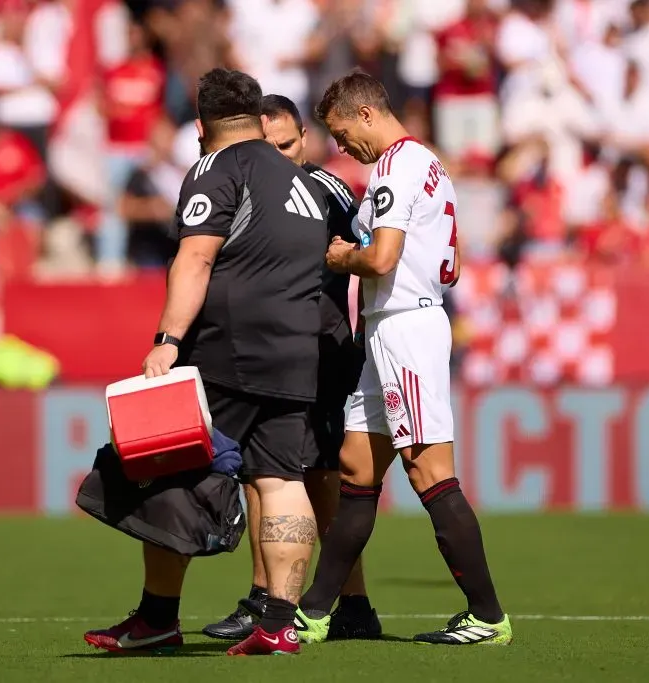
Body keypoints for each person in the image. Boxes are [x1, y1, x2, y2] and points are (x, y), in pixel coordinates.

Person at [83, 68, 327, 657]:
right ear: (259, 119)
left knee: (165, 465)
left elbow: (195, 258)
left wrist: (167, 338)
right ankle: (278, 621)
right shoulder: (299, 179)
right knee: (282, 479)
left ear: (201, 126)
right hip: (297, 351)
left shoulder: (216, 168)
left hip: (228, 349)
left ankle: (157, 618)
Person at [293, 70, 513, 646]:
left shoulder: (394, 164)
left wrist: (342, 255)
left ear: (366, 114)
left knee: (427, 469)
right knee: (356, 468)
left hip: (404, 329)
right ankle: (316, 611)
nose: (342, 148)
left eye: (342, 134)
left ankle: (488, 616)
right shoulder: (432, 166)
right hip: (396, 326)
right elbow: (454, 263)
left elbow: (382, 258)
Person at [201, 93, 379, 642]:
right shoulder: (256, 187)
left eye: (286, 146)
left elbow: (373, 245)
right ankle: (327, 604)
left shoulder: (323, 188)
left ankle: (318, 603)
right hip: (288, 351)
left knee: (305, 477)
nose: (277, 157)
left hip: (320, 352)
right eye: (267, 147)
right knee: (277, 476)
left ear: (305, 141)